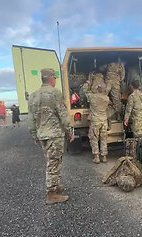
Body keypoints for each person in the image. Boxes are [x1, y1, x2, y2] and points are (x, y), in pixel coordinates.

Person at [28, 68, 74, 205]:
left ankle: (57, 185)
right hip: (54, 135)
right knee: (54, 164)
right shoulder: (55, 93)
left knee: (52, 161)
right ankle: (51, 194)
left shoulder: (33, 95)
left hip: (42, 135)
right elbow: (63, 114)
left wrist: (33, 134)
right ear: (52, 79)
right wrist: (69, 131)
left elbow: (31, 118)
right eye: (55, 78)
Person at [85, 80, 109, 164]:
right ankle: (104, 156)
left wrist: (87, 83)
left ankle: (96, 157)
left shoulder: (93, 97)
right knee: (103, 139)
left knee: (94, 139)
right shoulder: (107, 98)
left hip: (96, 121)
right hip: (104, 121)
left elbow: (85, 92)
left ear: (98, 89)